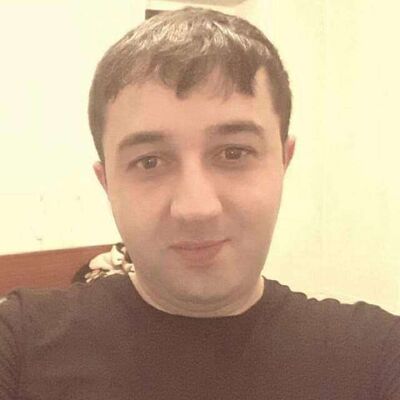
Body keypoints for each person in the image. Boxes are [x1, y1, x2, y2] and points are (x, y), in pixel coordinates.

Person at [0, 7, 399, 399]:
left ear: (283, 161)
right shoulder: (18, 343)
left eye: (233, 153)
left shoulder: (378, 357)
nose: (196, 208)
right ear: (107, 182)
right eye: (149, 161)